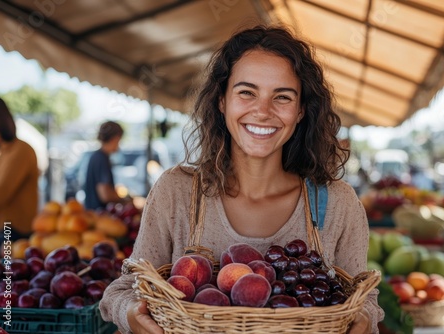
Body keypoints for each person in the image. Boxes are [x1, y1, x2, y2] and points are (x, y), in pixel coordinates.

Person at [99, 25, 384, 333]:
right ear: (222, 101)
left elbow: (364, 299)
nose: (262, 111)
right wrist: (132, 314)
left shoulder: (337, 202)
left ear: (301, 111)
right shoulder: (177, 192)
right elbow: (122, 291)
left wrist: (365, 320)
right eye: (247, 92)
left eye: (283, 97)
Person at [0, 96, 39, 248]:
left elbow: (0, 193)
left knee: (8, 270)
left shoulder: (21, 151)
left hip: (13, 232)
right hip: (3, 230)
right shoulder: (2, 152)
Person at [83, 120, 127, 210]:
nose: (119, 145)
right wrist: (124, 200)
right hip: (98, 215)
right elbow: (105, 195)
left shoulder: (96, 156)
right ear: (115, 138)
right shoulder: (101, 159)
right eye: (119, 140)